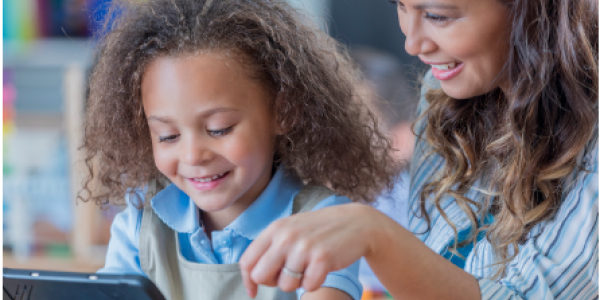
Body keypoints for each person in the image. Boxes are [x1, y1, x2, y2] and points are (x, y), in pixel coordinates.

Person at [239, 0, 598, 299]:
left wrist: (376, 236)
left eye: (438, 16)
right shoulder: (443, 95)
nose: (412, 43)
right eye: (400, 5)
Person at [80, 0, 400, 299]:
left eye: (219, 129)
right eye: (167, 135)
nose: (193, 156)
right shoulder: (139, 226)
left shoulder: (325, 221)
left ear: (283, 113)